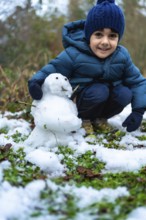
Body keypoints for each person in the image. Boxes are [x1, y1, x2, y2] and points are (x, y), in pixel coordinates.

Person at [28, 0, 146, 133]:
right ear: (89, 35)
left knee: (124, 93)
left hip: (102, 101)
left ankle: (99, 119)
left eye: (112, 36)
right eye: (98, 35)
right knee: (99, 91)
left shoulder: (122, 56)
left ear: (119, 38)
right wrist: (36, 81)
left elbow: (138, 82)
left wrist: (138, 111)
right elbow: (52, 68)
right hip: (79, 102)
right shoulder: (74, 53)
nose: (105, 42)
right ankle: (83, 120)